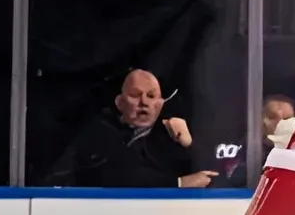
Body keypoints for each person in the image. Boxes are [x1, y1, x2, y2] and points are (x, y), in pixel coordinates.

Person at [44, 69, 214, 188]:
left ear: (161, 104)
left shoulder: (174, 136)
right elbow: (119, 175)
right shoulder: (98, 132)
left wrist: (189, 145)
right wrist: (179, 184)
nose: (144, 102)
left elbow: (212, 176)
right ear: (119, 102)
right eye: (135, 95)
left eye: (151, 96)